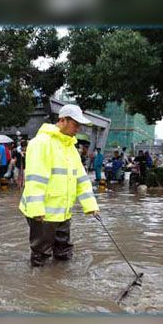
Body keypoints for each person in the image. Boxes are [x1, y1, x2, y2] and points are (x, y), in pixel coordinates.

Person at [19, 104, 100, 267]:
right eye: (76, 124)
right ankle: (38, 287)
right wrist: (36, 210)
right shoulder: (40, 143)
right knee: (41, 253)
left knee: (64, 251)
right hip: (43, 212)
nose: (78, 129)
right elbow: (35, 178)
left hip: (63, 210)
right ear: (63, 120)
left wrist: (90, 205)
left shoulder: (70, 147)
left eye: (80, 125)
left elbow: (81, 179)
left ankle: (60, 285)